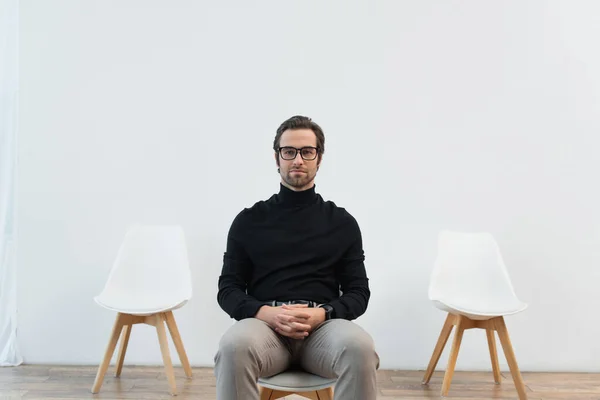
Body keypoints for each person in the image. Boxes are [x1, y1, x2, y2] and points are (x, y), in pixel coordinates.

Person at [214, 115, 379, 399]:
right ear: (277, 158)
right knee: (233, 346)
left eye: (307, 151)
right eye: (288, 152)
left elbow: (358, 293)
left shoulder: (342, 223)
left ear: (319, 158)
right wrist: (269, 314)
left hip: (323, 330)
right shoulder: (249, 220)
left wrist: (322, 314)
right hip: (265, 329)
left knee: (360, 347)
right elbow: (227, 290)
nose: (298, 160)